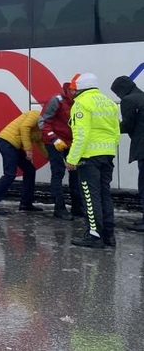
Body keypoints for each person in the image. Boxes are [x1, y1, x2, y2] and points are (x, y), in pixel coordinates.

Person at [67, 72, 121, 249]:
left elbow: (81, 134)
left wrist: (72, 158)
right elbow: (116, 131)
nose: (72, 92)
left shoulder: (81, 104)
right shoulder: (109, 103)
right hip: (107, 155)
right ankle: (109, 236)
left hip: (88, 158)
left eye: (74, 89)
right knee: (105, 195)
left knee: (90, 196)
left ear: (80, 88)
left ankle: (94, 235)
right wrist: (110, 151)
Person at [0, 110, 46, 215]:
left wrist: (52, 158)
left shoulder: (44, 128)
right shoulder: (35, 114)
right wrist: (28, 149)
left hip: (15, 145)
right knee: (10, 174)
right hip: (7, 141)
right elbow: (24, 128)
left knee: (30, 170)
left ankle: (26, 204)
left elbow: (40, 144)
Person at [38, 82, 84, 220]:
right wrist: (54, 139)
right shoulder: (57, 100)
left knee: (75, 173)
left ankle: (77, 207)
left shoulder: (79, 101)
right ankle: (59, 208)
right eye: (77, 91)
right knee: (58, 173)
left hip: (70, 142)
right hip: (54, 142)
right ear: (71, 90)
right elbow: (43, 122)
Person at [111, 75, 144, 232]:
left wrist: (111, 125)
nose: (118, 96)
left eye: (117, 93)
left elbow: (127, 126)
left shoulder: (129, 100)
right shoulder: (141, 96)